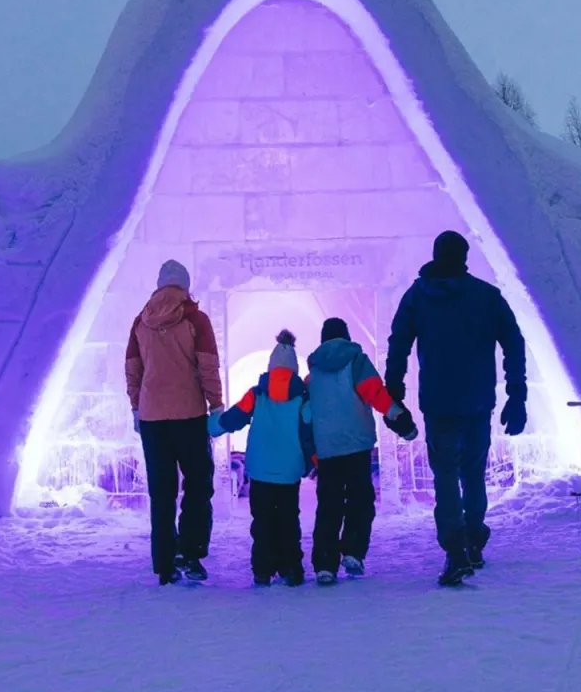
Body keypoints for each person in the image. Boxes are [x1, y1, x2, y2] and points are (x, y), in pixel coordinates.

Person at [385, 230, 527, 586]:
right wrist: (516, 394)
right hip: (478, 401)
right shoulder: (487, 297)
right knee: (473, 474)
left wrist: (394, 389)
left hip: (439, 403)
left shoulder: (418, 296)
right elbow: (513, 342)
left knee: (446, 478)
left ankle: (456, 550)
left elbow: (399, 341)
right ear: (465, 258)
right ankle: (473, 540)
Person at [125, 260, 224, 585]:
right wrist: (216, 405)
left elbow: (132, 369)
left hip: (153, 418)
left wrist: (137, 408)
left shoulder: (141, 321)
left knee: (162, 492)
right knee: (198, 484)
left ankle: (165, 564)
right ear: (184, 285)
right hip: (189, 415)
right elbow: (208, 365)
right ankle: (191, 553)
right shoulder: (196, 318)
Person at [307, 317, 416, 585]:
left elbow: (307, 414)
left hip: (327, 449)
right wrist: (399, 418)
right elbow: (375, 393)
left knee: (329, 505)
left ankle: (324, 564)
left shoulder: (313, 374)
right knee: (360, 500)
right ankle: (353, 552)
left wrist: (309, 449)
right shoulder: (356, 361)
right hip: (356, 444)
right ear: (346, 335)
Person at [208, 330, 314, 587]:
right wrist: (310, 462)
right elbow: (308, 432)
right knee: (289, 521)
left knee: (263, 522)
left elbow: (232, 419)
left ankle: (262, 570)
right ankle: (291, 569)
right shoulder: (302, 398)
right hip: (289, 471)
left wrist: (210, 427)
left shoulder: (256, 394)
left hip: (260, 470)